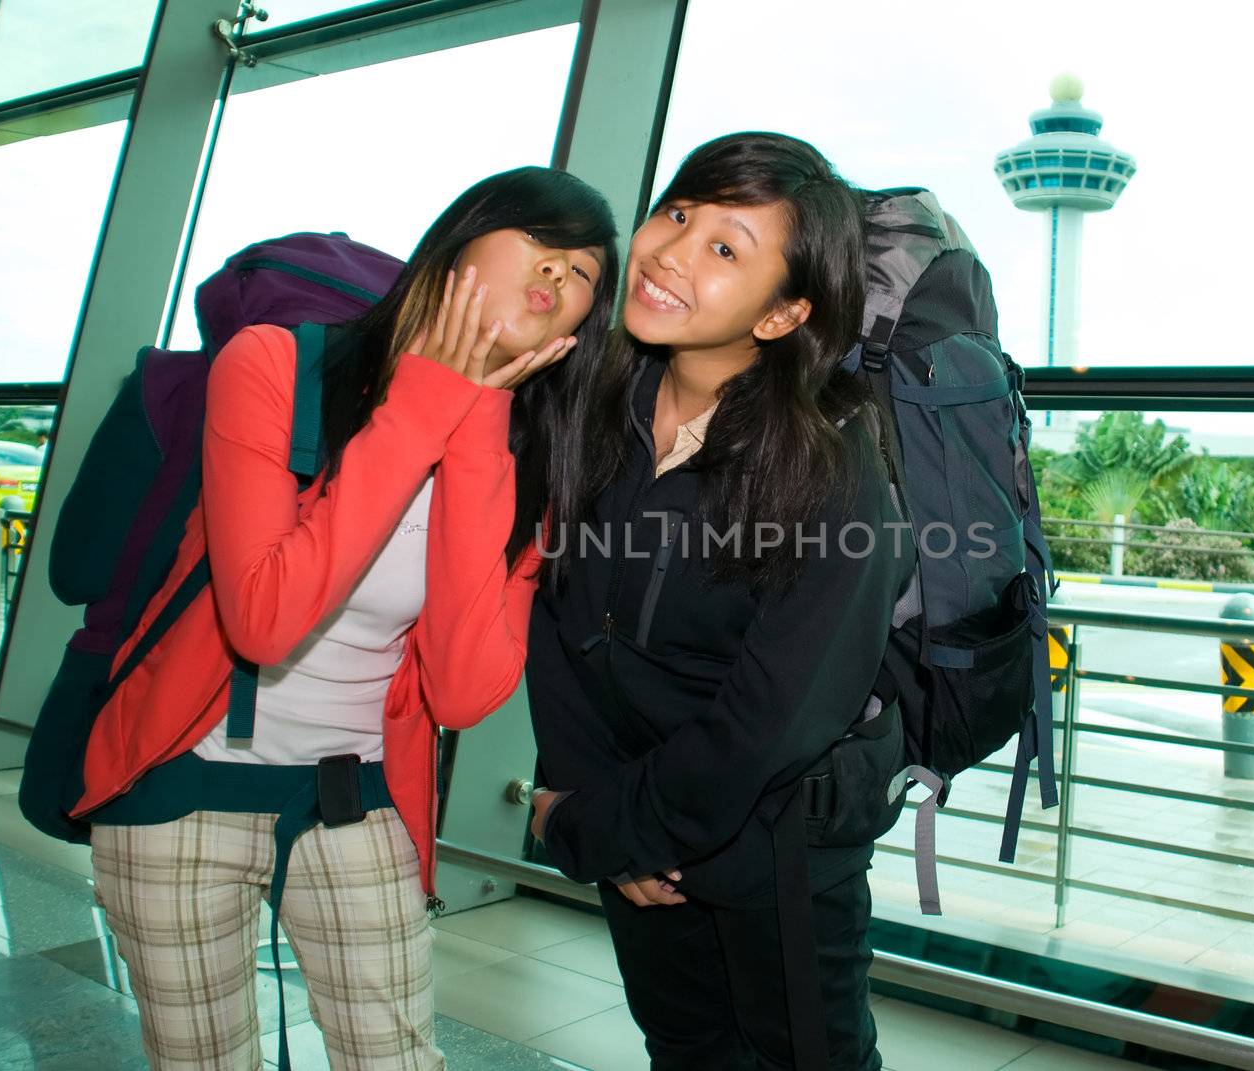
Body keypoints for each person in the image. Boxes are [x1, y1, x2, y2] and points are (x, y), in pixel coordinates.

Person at [73, 167, 618, 1071]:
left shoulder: (532, 469)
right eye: (541, 244)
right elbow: (264, 620)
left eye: (584, 276)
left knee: (397, 1059)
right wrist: (423, 403)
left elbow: (463, 689)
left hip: (354, 794)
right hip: (180, 781)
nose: (560, 276)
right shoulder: (274, 368)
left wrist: (479, 416)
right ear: (460, 241)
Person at [526, 133, 910, 1071]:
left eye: (725, 249)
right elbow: (563, 625)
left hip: (778, 844)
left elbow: (778, 711)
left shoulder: (830, 456)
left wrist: (600, 830)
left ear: (782, 316)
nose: (668, 251)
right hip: (635, 837)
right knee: (686, 1052)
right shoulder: (592, 404)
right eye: (679, 214)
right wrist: (585, 804)